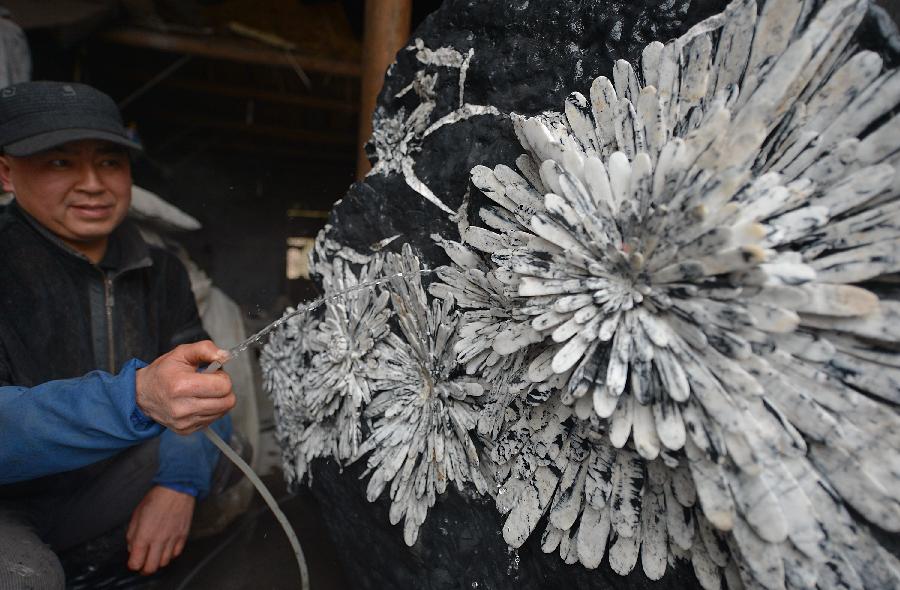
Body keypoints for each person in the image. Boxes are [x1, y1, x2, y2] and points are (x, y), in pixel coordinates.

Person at [0, 81, 238, 589]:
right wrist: (135, 398)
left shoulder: (162, 270)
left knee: (206, 455)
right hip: (11, 504)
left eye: (110, 162)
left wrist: (178, 483)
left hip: (104, 491)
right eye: (60, 162)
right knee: (25, 577)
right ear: (6, 172)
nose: (93, 184)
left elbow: (206, 387)